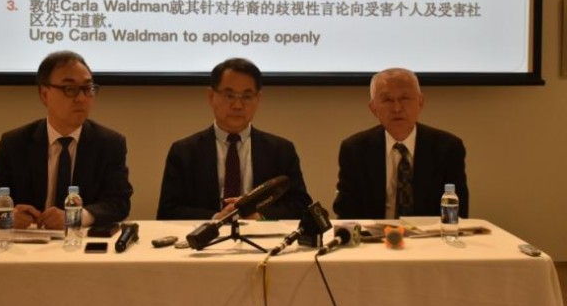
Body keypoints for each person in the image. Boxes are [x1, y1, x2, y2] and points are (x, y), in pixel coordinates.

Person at [0, 50, 133, 230]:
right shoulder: (16, 143)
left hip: (79, 241)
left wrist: (74, 217)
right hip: (28, 241)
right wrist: (6, 217)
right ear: (44, 94)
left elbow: (118, 203)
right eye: (70, 89)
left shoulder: (109, 143)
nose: (81, 98)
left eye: (88, 88)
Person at [157, 58, 312, 220]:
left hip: (263, 234)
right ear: (211, 96)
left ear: (258, 99)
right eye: (229, 95)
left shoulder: (281, 150)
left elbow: (301, 206)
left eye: (247, 96)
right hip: (207, 234)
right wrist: (216, 218)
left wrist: (259, 216)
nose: (238, 105)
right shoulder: (184, 152)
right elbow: (167, 212)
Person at [333, 68, 469, 219]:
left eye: (405, 98)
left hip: (430, 233)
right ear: (373, 108)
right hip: (374, 233)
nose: (397, 108)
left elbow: (457, 214)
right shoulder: (354, 150)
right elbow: (346, 214)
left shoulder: (448, 148)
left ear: (420, 102)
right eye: (387, 100)